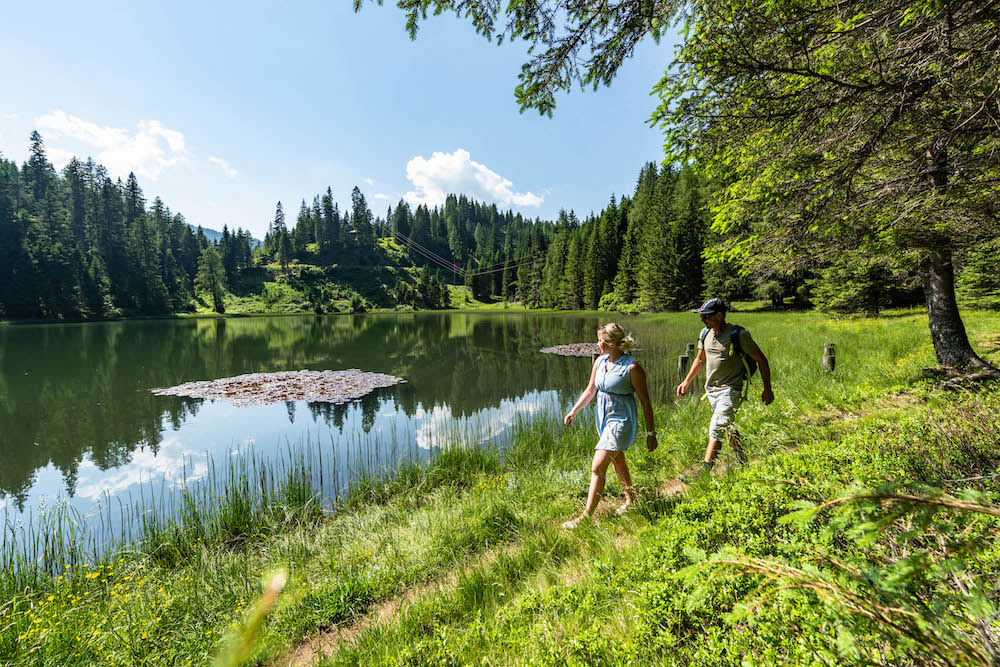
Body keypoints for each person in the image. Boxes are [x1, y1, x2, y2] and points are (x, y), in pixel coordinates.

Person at [561, 323, 658, 529]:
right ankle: (632, 499)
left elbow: (645, 402)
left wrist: (651, 433)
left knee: (597, 467)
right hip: (604, 419)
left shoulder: (632, 368)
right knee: (618, 460)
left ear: (612, 343)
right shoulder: (600, 361)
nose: (598, 344)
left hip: (621, 421)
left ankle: (585, 518)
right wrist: (573, 411)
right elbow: (590, 391)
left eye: (601, 340)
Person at [676, 298, 773, 480]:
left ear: (719, 315)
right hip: (711, 390)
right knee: (727, 425)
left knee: (717, 426)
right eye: (702, 317)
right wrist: (686, 381)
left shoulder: (739, 334)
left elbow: (762, 360)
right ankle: (742, 459)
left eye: (706, 316)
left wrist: (767, 389)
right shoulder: (705, 333)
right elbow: (699, 359)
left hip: (731, 389)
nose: (703, 320)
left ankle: (704, 471)